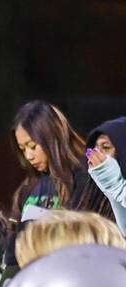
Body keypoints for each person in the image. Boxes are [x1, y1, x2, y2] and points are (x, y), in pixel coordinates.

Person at [9, 101, 109, 268]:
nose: (28, 155)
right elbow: (12, 252)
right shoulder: (29, 186)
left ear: (51, 137)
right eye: (22, 149)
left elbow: (79, 237)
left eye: (32, 146)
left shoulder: (86, 174)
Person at [85, 116, 126, 234]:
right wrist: (111, 190)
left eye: (106, 147)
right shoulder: (94, 197)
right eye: (94, 149)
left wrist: (118, 187)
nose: (98, 155)